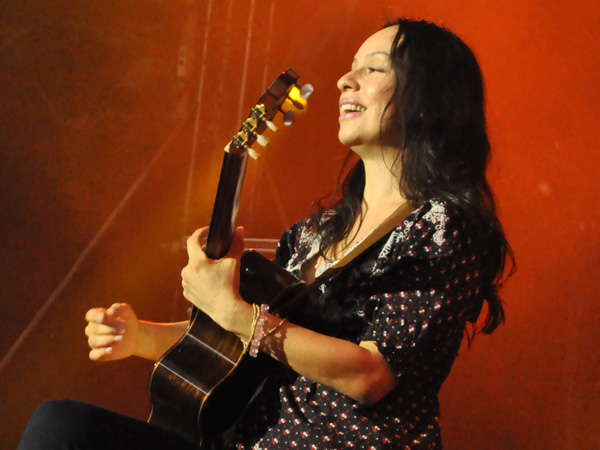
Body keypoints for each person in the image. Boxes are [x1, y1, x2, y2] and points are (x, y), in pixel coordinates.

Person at [17, 18, 514, 450]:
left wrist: (238, 313)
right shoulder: (313, 235)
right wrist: (142, 336)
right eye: (351, 67)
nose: (345, 80)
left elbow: (370, 375)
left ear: (427, 99)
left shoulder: (442, 227)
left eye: (374, 69)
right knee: (63, 426)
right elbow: (244, 341)